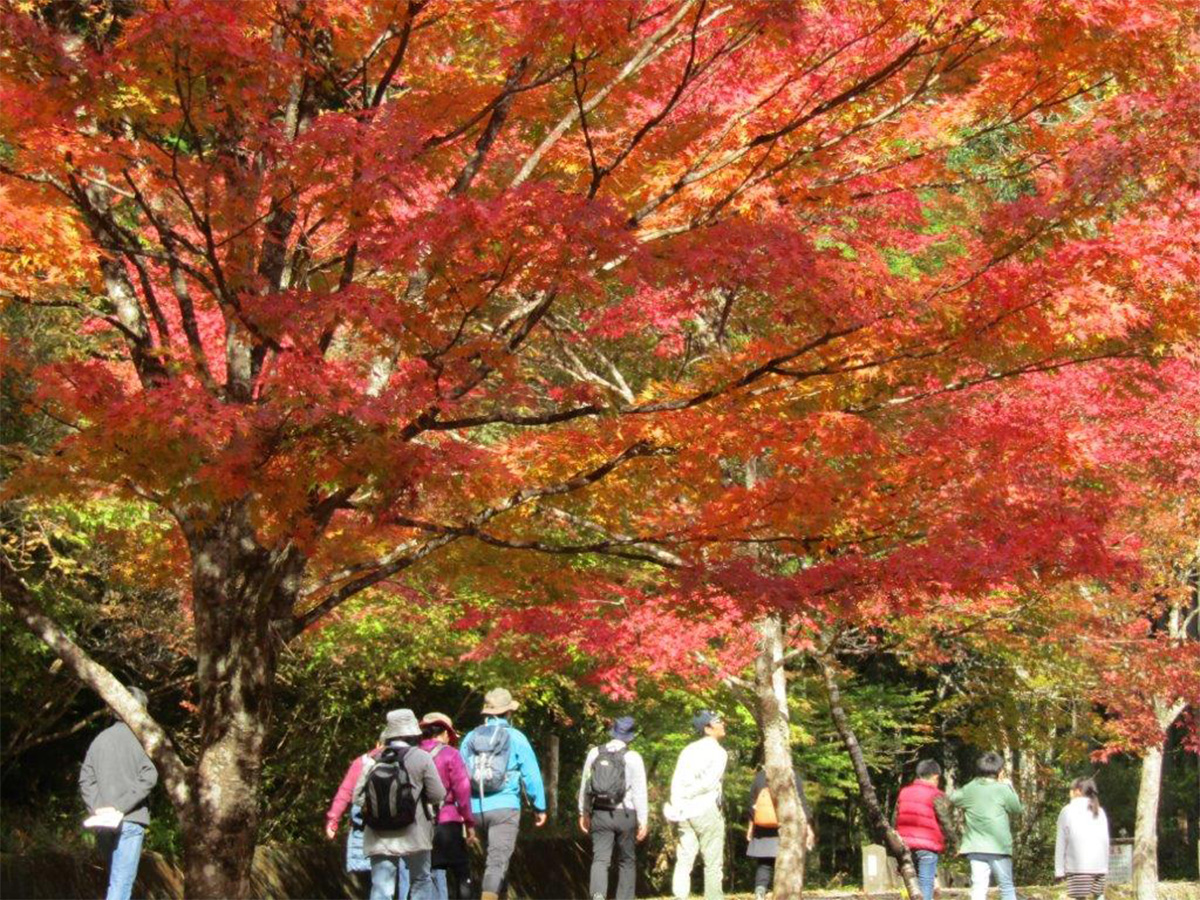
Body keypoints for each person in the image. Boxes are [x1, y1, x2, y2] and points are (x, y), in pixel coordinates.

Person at [459, 687, 547, 900]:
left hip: (475, 807)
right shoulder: (515, 737)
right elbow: (531, 775)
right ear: (508, 713)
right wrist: (539, 807)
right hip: (504, 807)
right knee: (497, 861)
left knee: (495, 862)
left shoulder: (470, 737)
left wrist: (462, 811)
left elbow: (460, 775)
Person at [353, 709, 447, 900]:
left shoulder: (373, 759)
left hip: (378, 833)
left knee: (381, 888)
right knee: (420, 880)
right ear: (413, 733)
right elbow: (438, 794)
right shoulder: (421, 757)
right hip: (414, 832)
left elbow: (357, 798)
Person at [79, 686, 159, 900]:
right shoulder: (142, 741)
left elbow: (85, 779)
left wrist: (99, 809)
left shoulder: (100, 741)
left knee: (115, 879)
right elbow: (149, 776)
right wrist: (121, 807)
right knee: (121, 883)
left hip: (103, 822)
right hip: (131, 820)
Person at [578, 716, 650, 900]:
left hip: (600, 812)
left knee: (601, 859)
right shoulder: (633, 757)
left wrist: (583, 812)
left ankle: (598, 896)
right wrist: (643, 820)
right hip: (626, 813)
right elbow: (640, 792)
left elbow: (585, 785)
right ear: (630, 737)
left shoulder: (595, 753)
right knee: (627, 860)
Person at [665, 710, 728, 900]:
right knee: (713, 860)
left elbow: (676, 781)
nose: (723, 723)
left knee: (685, 857)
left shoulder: (688, 750)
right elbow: (709, 783)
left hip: (684, 810)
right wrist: (692, 795)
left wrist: (679, 804)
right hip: (706, 808)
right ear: (707, 729)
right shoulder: (718, 752)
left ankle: (680, 896)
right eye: (718, 721)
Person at [326, 714, 391, 897]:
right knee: (388, 877)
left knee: (371, 879)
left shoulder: (361, 762)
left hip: (364, 827)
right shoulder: (404, 762)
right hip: (394, 829)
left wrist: (333, 820)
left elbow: (345, 792)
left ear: (378, 743)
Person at [419, 712, 477, 900]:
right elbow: (463, 790)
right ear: (444, 732)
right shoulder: (451, 754)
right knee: (462, 872)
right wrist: (469, 824)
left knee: (421, 876)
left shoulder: (413, 754)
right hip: (448, 822)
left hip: (419, 824)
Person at [950, 751, 1024, 900]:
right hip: (999, 848)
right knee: (1006, 887)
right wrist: (1010, 786)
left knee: (978, 888)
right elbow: (1017, 809)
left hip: (975, 847)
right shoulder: (1002, 789)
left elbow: (953, 798)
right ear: (1000, 771)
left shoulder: (970, 788)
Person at [745, 766, 816, 900]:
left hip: (763, 827)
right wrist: (808, 828)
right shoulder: (791, 776)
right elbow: (801, 802)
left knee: (764, 863)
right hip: (787, 825)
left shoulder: (760, 777)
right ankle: (787, 894)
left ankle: (760, 892)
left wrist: (751, 827)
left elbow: (751, 804)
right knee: (787, 862)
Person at [894, 760, 956, 900]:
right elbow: (945, 821)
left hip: (905, 846)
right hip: (927, 846)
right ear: (935, 776)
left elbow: (895, 819)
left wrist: (895, 843)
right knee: (926, 883)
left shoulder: (904, 792)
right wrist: (954, 842)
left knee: (912, 885)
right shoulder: (936, 794)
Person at [1054, 777, 1110, 900]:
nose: (1069, 793)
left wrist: (1059, 870)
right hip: (1099, 866)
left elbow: (1061, 842)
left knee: (1080, 897)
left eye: (1070, 790)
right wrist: (1105, 866)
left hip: (1077, 867)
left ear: (1078, 791)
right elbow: (1105, 842)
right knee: (1099, 896)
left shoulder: (1067, 811)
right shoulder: (1099, 811)